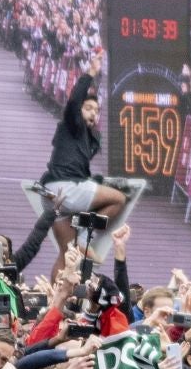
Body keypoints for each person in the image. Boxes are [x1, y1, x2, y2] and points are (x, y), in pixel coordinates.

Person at [29, 51, 127, 274]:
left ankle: (54, 294)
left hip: (52, 197)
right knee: (119, 199)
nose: (93, 113)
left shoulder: (90, 137)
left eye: (97, 110)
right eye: (88, 108)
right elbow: (74, 101)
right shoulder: (72, 124)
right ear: (78, 110)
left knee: (66, 255)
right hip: (65, 188)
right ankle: (83, 239)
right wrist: (91, 72)